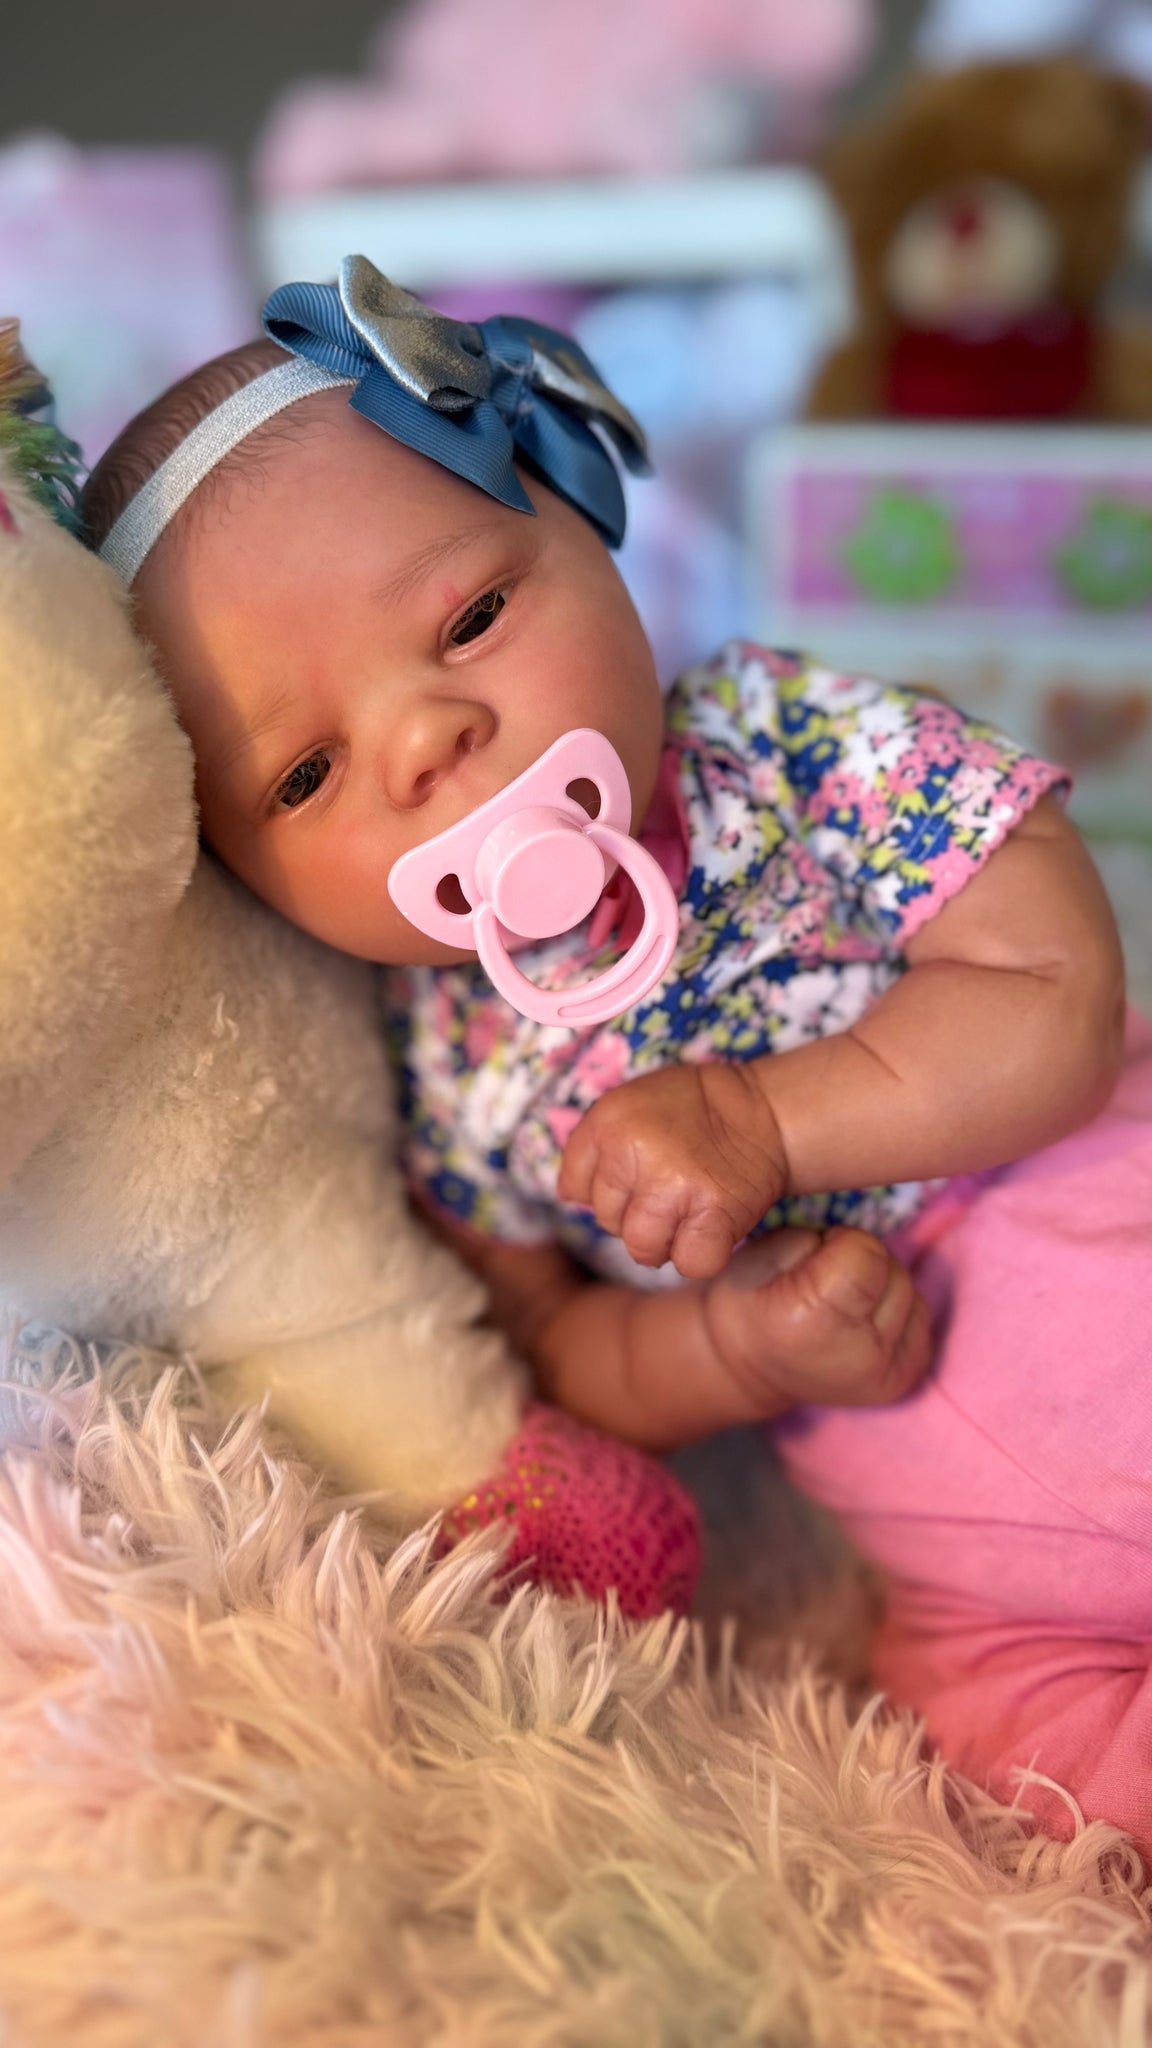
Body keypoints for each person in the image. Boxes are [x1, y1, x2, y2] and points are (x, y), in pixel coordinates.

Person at [82, 262, 1150, 1852]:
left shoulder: (782, 742)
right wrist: (733, 1352)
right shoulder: (437, 1068)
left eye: (469, 618)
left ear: (580, 518)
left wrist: (765, 1123)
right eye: (304, 775)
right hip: (967, 1553)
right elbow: (554, 1356)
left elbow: (1054, 993)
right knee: (1015, 1770)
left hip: (1077, 1207)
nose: (425, 738)